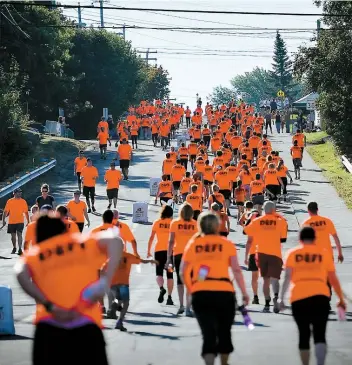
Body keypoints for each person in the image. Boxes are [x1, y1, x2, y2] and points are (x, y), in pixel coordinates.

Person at [15, 214, 123, 365]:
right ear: (63, 230)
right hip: (86, 322)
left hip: (50, 325)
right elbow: (117, 241)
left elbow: (20, 273)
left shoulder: (36, 253)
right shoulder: (83, 243)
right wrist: (105, 281)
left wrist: (48, 304)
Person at [181, 212, 249, 365]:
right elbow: (237, 270)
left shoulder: (194, 244)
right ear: (218, 225)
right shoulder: (226, 244)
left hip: (201, 293)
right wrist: (244, 292)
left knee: (208, 334)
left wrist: (191, 289)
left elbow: (183, 270)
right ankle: (224, 362)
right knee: (224, 333)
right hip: (224, 292)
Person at [279, 226, 346, 365]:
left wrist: (281, 298)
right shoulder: (324, 253)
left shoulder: (292, 253)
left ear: (300, 239)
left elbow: (286, 277)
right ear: (315, 239)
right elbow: (332, 278)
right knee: (320, 334)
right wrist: (340, 298)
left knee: (303, 335)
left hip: (298, 297)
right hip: (320, 296)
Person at [244, 201, 287, 313]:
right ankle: (276, 296)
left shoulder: (257, 221)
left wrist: (252, 219)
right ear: (274, 210)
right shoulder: (280, 221)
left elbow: (246, 231)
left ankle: (267, 303)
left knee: (265, 279)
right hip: (276, 253)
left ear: (263, 209)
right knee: (275, 279)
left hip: (261, 253)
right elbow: (283, 239)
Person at [102, 251, 157, 331]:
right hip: (124, 283)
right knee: (126, 303)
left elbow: (103, 270)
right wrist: (151, 261)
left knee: (118, 298)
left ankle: (114, 306)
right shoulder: (128, 256)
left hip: (112, 284)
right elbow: (141, 261)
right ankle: (119, 322)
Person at [166, 203, 197, 316]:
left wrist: (168, 258)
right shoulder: (195, 224)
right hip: (192, 255)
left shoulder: (175, 223)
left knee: (180, 281)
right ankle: (188, 307)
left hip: (178, 254)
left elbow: (171, 241)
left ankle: (181, 305)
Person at [147, 205, 175, 305]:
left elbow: (151, 238)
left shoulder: (157, 222)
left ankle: (161, 288)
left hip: (158, 251)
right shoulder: (173, 223)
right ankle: (169, 297)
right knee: (170, 274)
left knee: (158, 273)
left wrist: (148, 251)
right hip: (170, 252)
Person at [1, 188, 29, 255]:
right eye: (18, 192)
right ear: (14, 193)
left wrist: (28, 221)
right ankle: (14, 247)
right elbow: (5, 211)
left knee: (19, 234)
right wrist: (3, 220)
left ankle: (20, 249)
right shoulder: (10, 201)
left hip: (20, 221)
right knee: (13, 236)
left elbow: (26, 212)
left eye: (20, 192)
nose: (20, 193)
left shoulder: (23, 201)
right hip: (12, 222)